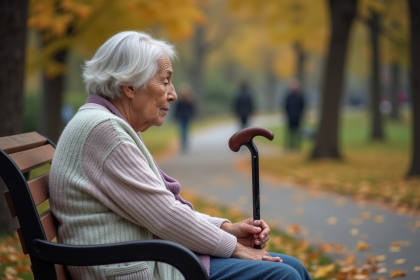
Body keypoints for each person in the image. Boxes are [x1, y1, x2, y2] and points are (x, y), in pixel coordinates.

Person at [49, 31, 311, 280]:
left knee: (293, 267)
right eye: (165, 81)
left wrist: (225, 229)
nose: (173, 94)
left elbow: (160, 207)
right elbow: (165, 216)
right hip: (145, 268)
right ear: (129, 86)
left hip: (153, 258)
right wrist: (236, 247)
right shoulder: (105, 131)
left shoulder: (103, 124)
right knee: (284, 275)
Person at [283, 79, 305, 150]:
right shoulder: (289, 97)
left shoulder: (300, 96)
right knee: (290, 132)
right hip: (290, 117)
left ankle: (297, 146)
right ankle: (290, 145)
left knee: (298, 132)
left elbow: (302, 106)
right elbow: (286, 106)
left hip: (297, 117)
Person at [175, 83, 195, 151]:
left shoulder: (189, 101)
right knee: (183, 131)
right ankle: (183, 144)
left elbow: (192, 110)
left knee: (185, 131)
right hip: (182, 117)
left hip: (186, 117)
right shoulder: (180, 102)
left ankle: (185, 144)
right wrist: (176, 117)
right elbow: (177, 110)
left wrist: (192, 116)